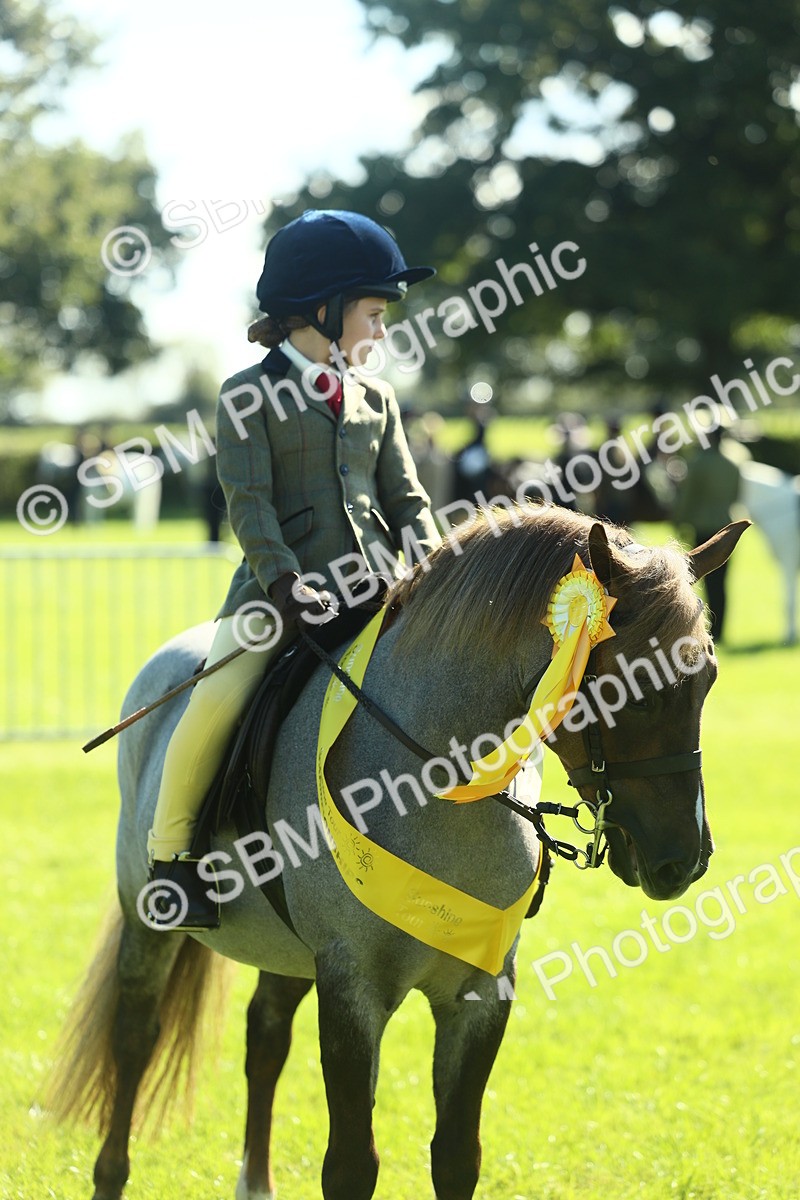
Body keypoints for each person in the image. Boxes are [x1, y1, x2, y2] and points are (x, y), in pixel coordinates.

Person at [147, 210, 441, 929]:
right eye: (372, 314)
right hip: (278, 595)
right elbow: (248, 504)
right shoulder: (247, 394)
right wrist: (283, 583)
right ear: (321, 310)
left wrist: (435, 563)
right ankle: (172, 858)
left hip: (376, 585)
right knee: (217, 697)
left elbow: (406, 496)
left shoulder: (378, 396)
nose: (380, 330)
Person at [672, 425, 742, 642]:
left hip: (703, 528)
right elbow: (736, 495)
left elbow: (688, 496)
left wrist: (680, 521)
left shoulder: (698, 463)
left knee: (701, 580)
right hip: (726, 526)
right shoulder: (733, 464)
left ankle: (704, 628)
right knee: (722, 581)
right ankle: (721, 629)